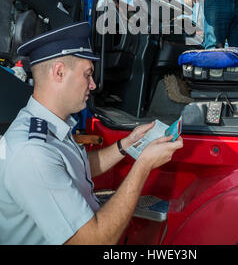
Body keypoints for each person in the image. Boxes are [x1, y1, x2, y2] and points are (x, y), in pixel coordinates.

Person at [0, 21, 183, 245]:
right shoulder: (32, 152)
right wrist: (143, 165)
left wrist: (126, 144)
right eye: (87, 74)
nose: (94, 85)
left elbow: (78, 168)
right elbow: (93, 242)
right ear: (59, 72)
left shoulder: (51, 125)